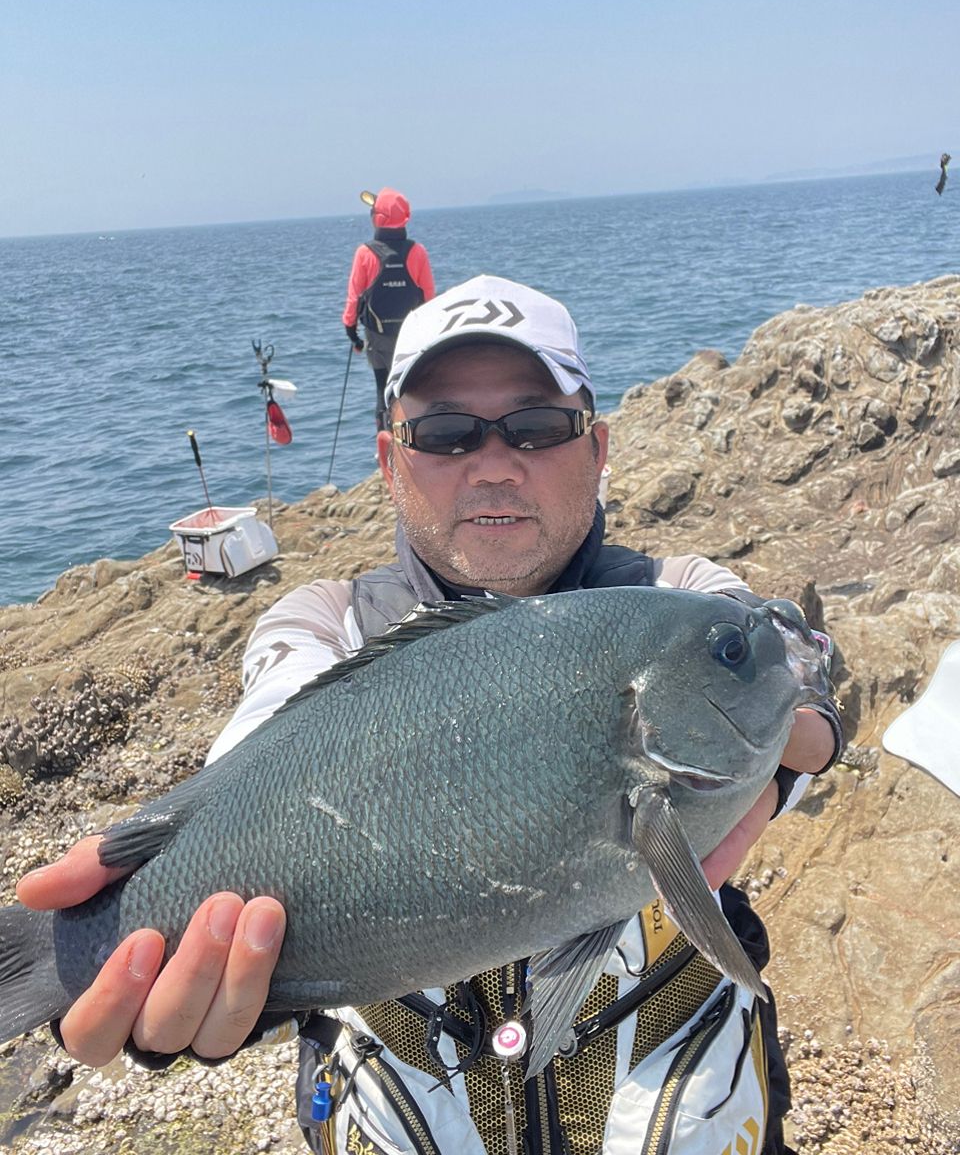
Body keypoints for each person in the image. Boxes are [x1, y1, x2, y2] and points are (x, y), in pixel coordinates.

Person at [18, 276, 843, 1155]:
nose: (494, 462)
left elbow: (798, 658)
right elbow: (257, 751)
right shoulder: (321, 625)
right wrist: (175, 971)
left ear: (598, 449)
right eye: (444, 435)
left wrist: (809, 737)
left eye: (536, 427)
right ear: (388, 460)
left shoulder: (678, 599)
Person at [342, 186, 436, 431]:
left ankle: (385, 447)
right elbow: (428, 296)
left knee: (382, 387)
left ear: (377, 218)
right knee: (410, 389)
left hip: (377, 335)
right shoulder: (417, 251)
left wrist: (351, 332)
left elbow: (354, 296)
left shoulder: (365, 253)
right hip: (411, 334)